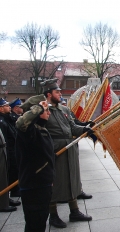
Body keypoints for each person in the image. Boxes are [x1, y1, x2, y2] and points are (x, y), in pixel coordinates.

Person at [41, 79, 92, 228]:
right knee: (55, 183)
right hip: (55, 150)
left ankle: (74, 211)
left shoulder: (64, 110)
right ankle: (53, 215)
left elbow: (72, 127)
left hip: (69, 149)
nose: (60, 94)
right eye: (57, 92)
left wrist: (84, 129)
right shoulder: (43, 110)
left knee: (72, 179)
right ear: (49, 94)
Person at [15, 95, 55, 232]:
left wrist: (50, 178)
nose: (49, 112)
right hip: (34, 186)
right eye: (46, 110)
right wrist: (39, 107)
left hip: (42, 184)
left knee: (40, 221)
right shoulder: (28, 131)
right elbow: (21, 123)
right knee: (35, 225)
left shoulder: (41, 129)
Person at [0, 98, 21, 207]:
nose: (9, 107)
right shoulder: (2, 121)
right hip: (7, 150)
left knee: (10, 172)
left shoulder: (7, 119)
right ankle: (4, 199)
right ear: (1, 109)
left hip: (11, 149)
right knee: (5, 174)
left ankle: (6, 198)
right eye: (6, 106)